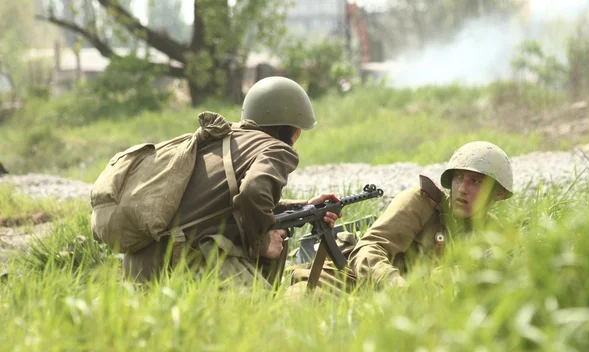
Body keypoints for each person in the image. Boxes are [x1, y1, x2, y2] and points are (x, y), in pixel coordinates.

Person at [122, 77, 340, 287]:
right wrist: (263, 243)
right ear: (292, 127)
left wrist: (306, 207)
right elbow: (252, 193)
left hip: (140, 265)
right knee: (261, 314)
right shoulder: (276, 149)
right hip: (180, 264)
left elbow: (229, 204)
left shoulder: (220, 140)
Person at [348, 141, 514, 289]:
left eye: (475, 181)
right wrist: (395, 285)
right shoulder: (420, 203)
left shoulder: (494, 234)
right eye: (458, 178)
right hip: (351, 284)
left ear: (498, 192)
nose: (462, 189)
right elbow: (367, 248)